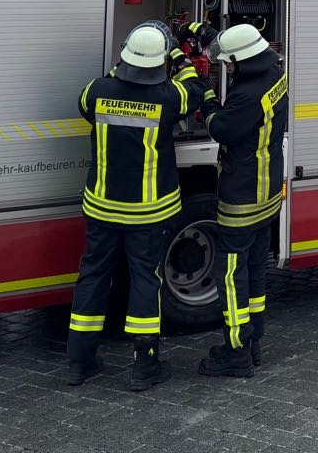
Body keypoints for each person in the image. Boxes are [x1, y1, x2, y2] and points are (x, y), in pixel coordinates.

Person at [67, 22, 206, 390]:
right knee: (146, 278)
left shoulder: (96, 92)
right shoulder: (167, 97)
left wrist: (124, 67)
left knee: (93, 276)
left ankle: (78, 362)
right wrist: (178, 52)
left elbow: (90, 100)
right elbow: (196, 88)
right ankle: (144, 367)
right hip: (148, 211)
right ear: (159, 62)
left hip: (101, 206)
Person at [199, 23, 289, 379]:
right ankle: (254, 341)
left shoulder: (249, 94)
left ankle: (236, 351)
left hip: (242, 195)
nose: (229, 69)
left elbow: (221, 128)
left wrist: (206, 100)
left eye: (231, 63)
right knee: (254, 271)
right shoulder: (275, 72)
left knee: (231, 276)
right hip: (266, 195)